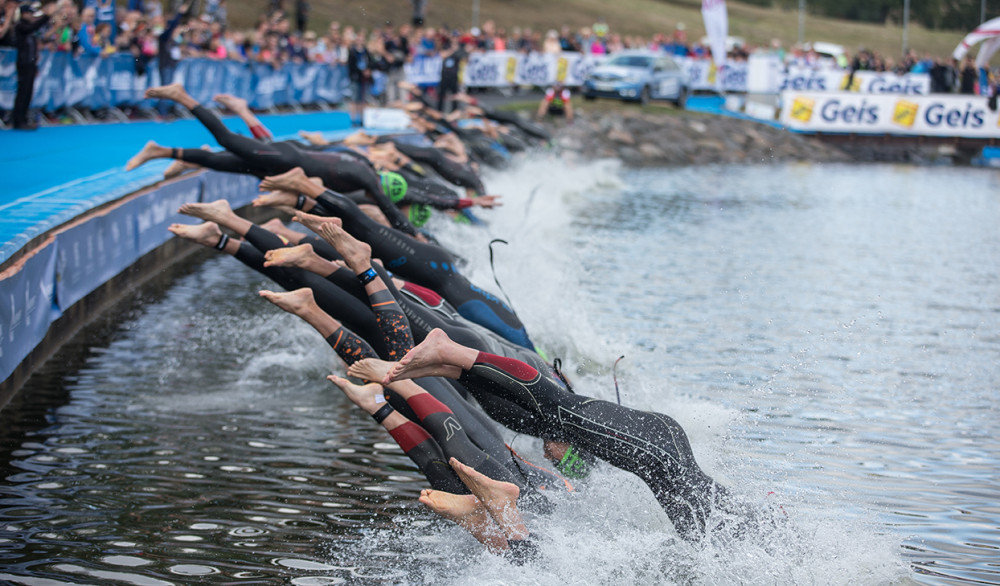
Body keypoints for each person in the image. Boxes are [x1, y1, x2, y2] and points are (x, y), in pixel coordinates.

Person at [373, 328, 753, 542]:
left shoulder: (739, 543)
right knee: (557, 408)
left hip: (660, 452)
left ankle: (450, 369)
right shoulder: (746, 546)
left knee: (547, 417)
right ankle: (452, 351)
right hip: (659, 453)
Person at [11, 0, 60, 130]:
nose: (32, 16)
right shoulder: (21, 26)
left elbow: (37, 42)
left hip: (30, 64)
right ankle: (18, 120)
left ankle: (24, 119)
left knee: (28, 92)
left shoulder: (30, 29)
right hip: (23, 63)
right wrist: (47, 16)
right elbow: (33, 28)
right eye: (30, 13)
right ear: (23, 14)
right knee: (22, 92)